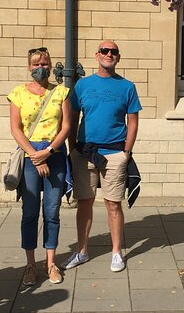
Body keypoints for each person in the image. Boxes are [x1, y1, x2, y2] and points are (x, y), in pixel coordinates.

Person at [63, 40, 142, 272]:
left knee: (113, 204)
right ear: (97, 55)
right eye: (105, 51)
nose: (109, 54)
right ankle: (82, 251)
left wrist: (126, 152)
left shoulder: (127, 87)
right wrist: (72, 148)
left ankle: (116, 252)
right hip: (84, 152)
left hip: (115, 154)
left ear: (118, 57)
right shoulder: (82, 86)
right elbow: (71, 117)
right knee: (84, 203)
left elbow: (133, 122)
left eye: (114, 52)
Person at [8, 47, 71, 286]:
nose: (40, 68)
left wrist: (48, 152)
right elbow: (15, 128)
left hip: (53, 155)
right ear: (29, 67)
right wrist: (35, 155)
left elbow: (66, 127)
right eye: (35, 64)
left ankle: (51, 263)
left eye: (44, 63)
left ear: (50, 65)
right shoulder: (18, 94)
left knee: (52, 212)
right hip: (30, 156)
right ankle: (30, 265)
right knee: (30, 212)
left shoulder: (62, 92)